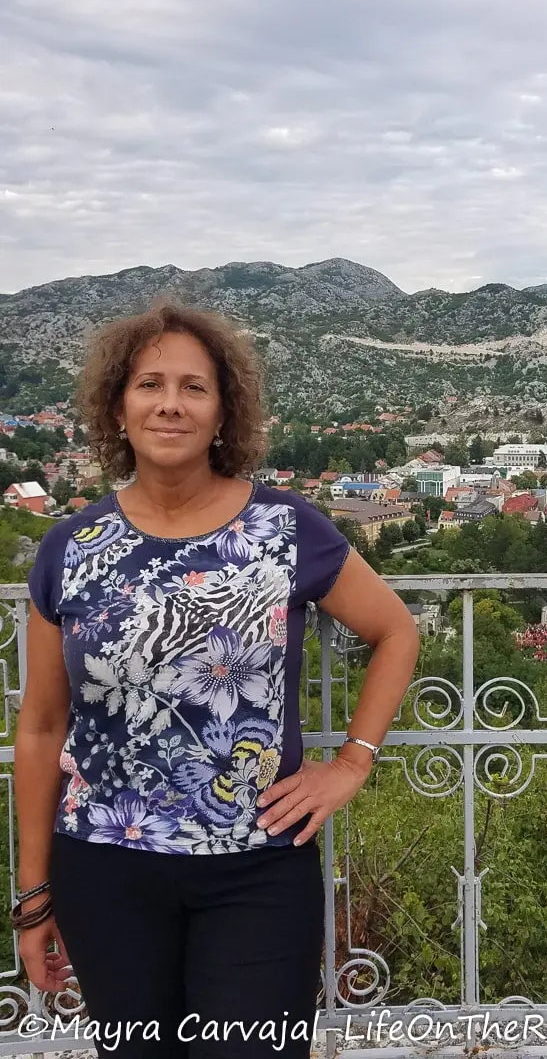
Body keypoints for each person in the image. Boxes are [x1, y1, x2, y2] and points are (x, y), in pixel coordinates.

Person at [13, 301, 420, 1057]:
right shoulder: (69, 548)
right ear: (118, 406)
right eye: (150, 384)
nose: (171, 403)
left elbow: (396, 630)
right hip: (105, 872)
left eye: (194, 387)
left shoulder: (288, 529)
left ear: (224, 410)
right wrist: (34, 897)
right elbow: (39, 727)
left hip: (257, 870)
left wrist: (352, 764)